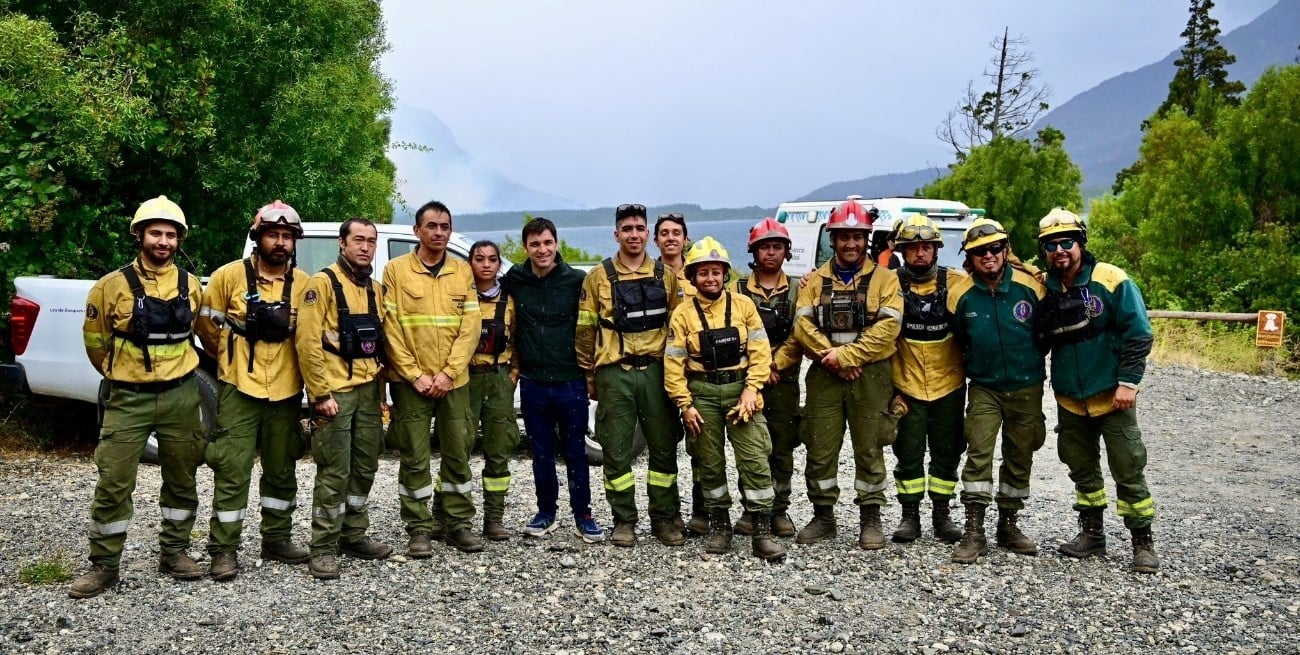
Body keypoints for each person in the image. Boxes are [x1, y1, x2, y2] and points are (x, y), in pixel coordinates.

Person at [70, 196, 205, 598]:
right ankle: (105, 565)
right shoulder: (110, 287)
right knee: (113, 480)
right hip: (129, 398)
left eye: (170, 234)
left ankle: (175, 551)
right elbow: (96, 344)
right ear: (140, 235)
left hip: (182, 394)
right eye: (155, 233)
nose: (163, 241)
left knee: (182, 477)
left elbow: (198, 333)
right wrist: (122, 375)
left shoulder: (191, 285)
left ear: (179, 240)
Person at [1035, 208, 1159, 574]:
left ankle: (1142, 542)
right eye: (1051, 245)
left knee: (1128, 467)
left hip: (1112, 396)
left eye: (1067, 242)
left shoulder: (1111, 280)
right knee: (1081, 469)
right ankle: (1091, 534)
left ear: (1081, 242)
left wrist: (1128, 382)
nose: (1060, 250)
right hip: (1071, 399)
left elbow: (1139, 333)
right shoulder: (1046, 286)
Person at [197, 200, 310, 581]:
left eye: (286, 237)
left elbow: (309, 340)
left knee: (282, 469)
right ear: (257, 237)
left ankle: (277, 539)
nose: (280, 243)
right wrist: (230, 358)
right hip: (239, 388)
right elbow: (208, 329)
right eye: (273, 235)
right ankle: (223, 550)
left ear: (294, 243)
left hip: (286, 391)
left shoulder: (305, 286)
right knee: (232, 469)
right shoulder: (227, 277)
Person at [664, 238, 785, 561]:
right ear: (692, 277)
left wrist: (752, 389)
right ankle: (720, 527)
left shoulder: (744, 306)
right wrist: (685, 405)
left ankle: (761, 532)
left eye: (716, 272)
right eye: (703, 273)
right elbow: (673, 365)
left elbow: (761, 353)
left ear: (725, 274)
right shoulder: (682, 315)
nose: (710, 279)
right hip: (702, 396)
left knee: (755, 460)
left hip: (740, 391)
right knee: (709, 464)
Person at [792, 199, 903, 550]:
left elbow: (889, 326)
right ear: (833, 238)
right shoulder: (815, 280)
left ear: (866, 238)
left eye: (857, 236)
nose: (851, 243)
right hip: (826, 375)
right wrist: (833, 359)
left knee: (869, 447)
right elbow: (801, 323)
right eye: (844, 237)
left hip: (870, 375)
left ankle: (871, 518)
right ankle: (823, 516)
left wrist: (848, 355)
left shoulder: (885, 279)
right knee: (820, 448)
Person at [577, 203, 684, 548]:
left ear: (647, 234)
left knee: (664, 450)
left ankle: (665, 518)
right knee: (617, 450)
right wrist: (588, 373)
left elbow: (678, 326)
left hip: (656, 372)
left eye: (639, 228)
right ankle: (624, 520)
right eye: (627, 229)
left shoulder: (665, 277)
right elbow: (585, 329)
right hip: (615, 374)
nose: (634, 234)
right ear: (617, 234)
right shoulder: (597, 278)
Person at [381, 201, 484, 554]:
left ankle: (457, 524)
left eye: (444, 226)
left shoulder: (462, 271)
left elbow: (471, 328)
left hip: (453, 381)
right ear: (417, 231)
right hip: (411, 383)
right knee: (414, 456)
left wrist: (448, 373)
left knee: (458, 452)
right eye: (431, 226)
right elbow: (391, 329)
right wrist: (414, 375)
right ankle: (418, 529)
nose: (439, 232)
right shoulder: (396, 271)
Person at [947, 217, 1047, 565]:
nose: (987, 256)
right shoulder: (960, 294)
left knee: (1020, 455)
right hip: (985, 387)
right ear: (969, 258)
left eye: (994, 249)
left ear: (1005, 250)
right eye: (978, 252)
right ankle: (974, 531)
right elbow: (959, 339)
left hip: (1027, 386)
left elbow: (1046, 332)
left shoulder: (1031, 287)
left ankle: (1009, 524)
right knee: (979, 453)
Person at [297, 218, 392, 579]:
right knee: (334, 470)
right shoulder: (320, 284)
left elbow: (380, 348)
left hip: (368, 391)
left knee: (366, 464)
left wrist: (382, 395)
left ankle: (354, 534)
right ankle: (322, 547)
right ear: (342, 243)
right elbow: (307, 343)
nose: (365, 247)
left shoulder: (375, 289)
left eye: (370, 241)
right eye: (358, 240)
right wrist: (319, 394)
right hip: (335, 392)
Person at [501, 217, 604, 543]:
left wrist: (591, 374)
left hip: (570, 382)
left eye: (547, 243)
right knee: (541, 453)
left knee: (575, 452)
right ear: (526, 248)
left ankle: (583, 516)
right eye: (535, 244)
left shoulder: (576, 280)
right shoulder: (516, 279)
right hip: (533, 383)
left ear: (556, 243)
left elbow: (595, 325)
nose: (542, 250)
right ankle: (546, 513)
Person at [887, 215, 969, 545]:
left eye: (926, 247)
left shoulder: (957, 281)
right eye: (912, 249)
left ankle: (942, 513)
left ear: (936, 250)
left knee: (947, 451)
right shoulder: (889, 284)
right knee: (907, 451)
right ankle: (909, 517)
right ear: (902, 251)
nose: (920, 254)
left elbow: (993, 283)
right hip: (905, 385)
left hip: (948, 385)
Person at [731, 218, 803, 538]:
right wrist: (759, 370)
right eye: (764, 247)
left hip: (784, 380)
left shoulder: (801, 289)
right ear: (754, 251)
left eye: (777, 247)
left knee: (782, 445)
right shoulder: (736, 290)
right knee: (751, 446)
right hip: (747, 381)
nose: (770, 253)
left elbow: (802, 334)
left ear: (786, 251)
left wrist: (775, 364)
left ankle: (780, 509)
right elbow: (731, 332)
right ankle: (751, 507)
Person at [463, 240, 520, 541]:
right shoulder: (460, 295)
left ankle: (494, 518)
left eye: (492, 259)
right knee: (457, 448)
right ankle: (447, 516)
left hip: (499, 378)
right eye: (479, 259)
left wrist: (514, 371)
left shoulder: (510, 299)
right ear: (470, 262)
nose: (486, 264)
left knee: (499, 449)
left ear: (499, 265)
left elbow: (520, 338)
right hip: (466, 379)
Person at [654, 211, 707, 534]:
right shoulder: (647, 275)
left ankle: (702, 511)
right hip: (660, 369)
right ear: (655, 239)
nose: (671, 238)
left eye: (676, 233)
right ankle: (667, 513)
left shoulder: (700, 274)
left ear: (686, 238)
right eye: (664, 233)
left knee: (702, 444)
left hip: (697, 371)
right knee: (663, 444)